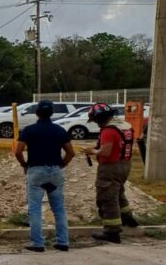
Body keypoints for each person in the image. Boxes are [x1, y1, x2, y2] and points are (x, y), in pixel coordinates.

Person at [14, 100, 74, 252]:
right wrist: (62, 165)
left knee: (35, 209)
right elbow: (71, 152)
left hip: (36, 171)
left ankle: (38, 243)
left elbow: (18, 151)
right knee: (59, 209)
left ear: (37, 112)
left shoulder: (29, 130)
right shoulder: (60, 130)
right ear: (52, 113)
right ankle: (63, 242)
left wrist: (24, 165)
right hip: (56, 171)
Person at [82, 103, 139, 243]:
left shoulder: (108, 130)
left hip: (110, 167)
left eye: (95, 120)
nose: (95, 123)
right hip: (125, 164)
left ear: (100, 118)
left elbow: (106, 152)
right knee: (118, 192)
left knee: (107, 198)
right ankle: (128, 218)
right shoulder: (125, 126)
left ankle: (112, 232)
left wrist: (92, 151)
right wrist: (98, 147)